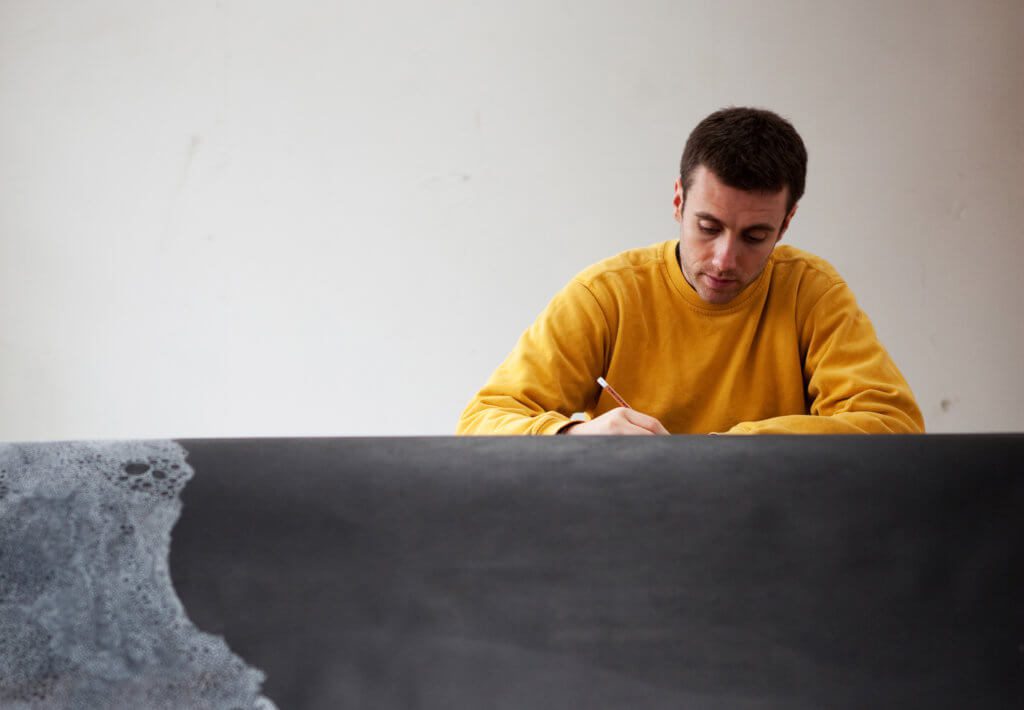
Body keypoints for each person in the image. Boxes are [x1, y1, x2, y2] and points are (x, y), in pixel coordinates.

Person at [456, 107, 924, 435]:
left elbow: (893, 425)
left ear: (786, 223)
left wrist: (726, 451)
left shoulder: (811, 292)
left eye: (754, 236)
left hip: (769, 531)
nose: (724, 260)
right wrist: (575, 437)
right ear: (679, 201)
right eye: (708, 227)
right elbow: (481, 421)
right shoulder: (607, 295)